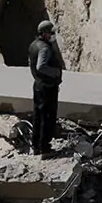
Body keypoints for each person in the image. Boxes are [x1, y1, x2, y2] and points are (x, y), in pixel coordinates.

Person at [29, 20, 63, 155]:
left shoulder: (33, 45)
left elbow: (32, 65)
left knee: (38, 116)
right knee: (48, 117)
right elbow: (40, 66)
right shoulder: (44, 48)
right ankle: (45, 148)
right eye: (50, 33)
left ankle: (36, 145)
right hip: (47, 87)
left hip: (38, 85)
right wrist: (55, 73)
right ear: (44, 33)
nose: (52, 35)